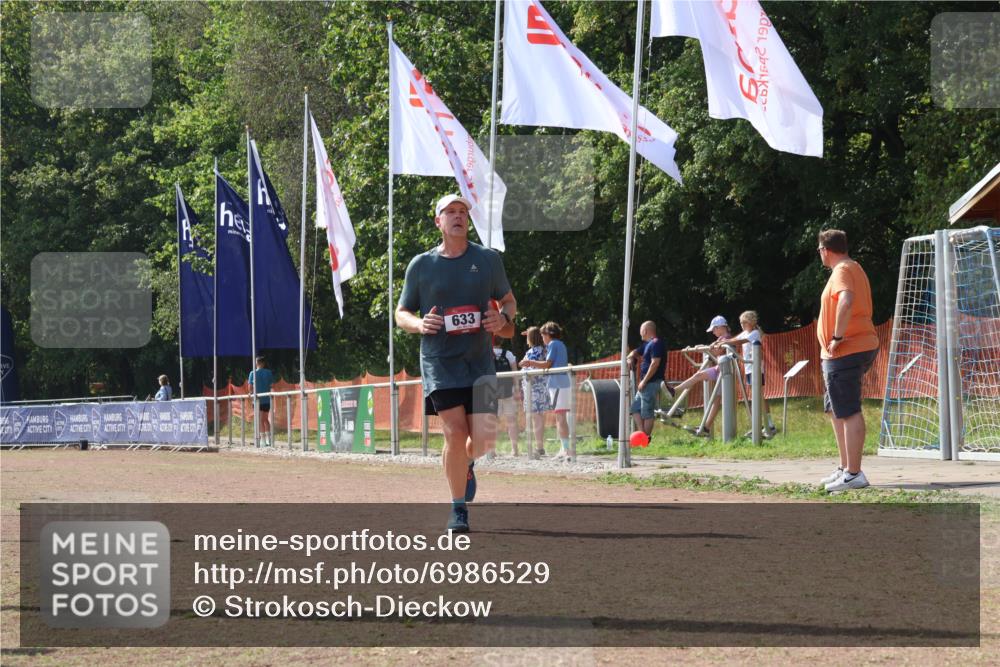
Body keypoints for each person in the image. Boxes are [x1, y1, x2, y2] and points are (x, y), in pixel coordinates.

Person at [396, 194, 516, 532]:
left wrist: (501, 317)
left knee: (484, 439)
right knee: (454, 432)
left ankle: (466, 463)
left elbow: (509, 301)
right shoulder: (422, 265)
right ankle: (458, 508)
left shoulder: (488, 259)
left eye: (463, 211)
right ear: (438, 221)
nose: (458, 216)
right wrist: (419, 324)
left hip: (479, 362)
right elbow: (401, 313)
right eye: (450, 212)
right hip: (440, 362)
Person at [816, 230, 879, 492]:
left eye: (819, 250)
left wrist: (837, 336)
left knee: (849, 409)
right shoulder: (853, 267)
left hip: (846, 350)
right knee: (836, 409)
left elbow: (846, 300)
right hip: (849, 350)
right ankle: (845, 468)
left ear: (825, 250)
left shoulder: (842, 270)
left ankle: (854, 474)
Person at [667, 316, 732, 437]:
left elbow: (716, 352)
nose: (713, 332)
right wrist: (702, 348)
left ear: (720, 327)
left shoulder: (727, 338)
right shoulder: (720, 339)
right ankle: (674, 391)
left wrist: (702, 348)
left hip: (726, 372)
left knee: (716, 400)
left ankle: (706, 427)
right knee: (698, 375)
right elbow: (713, 352)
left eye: (714, 329)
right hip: (719, 369)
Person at [718, 310, 777, 437]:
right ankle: (758, 425)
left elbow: (740, 341)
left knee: (759, 396)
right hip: (749, 368)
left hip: (756, 368)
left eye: (744, 322)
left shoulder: (755, 333)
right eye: (740, 323)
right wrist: (721, 341)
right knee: (753, 397)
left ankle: (769, 424)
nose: (742, 325)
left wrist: (726, 342)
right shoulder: (745, 332)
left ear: (750, 322)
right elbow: (735, 338)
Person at [521, 321, 571, 458]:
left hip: (557, 383)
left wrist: (530, 362)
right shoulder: (560, 344)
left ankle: (566, 450)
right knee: (560, 417)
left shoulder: (553, 344)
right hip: (561, 383)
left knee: (560, 418)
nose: (542, 339)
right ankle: (564, 448)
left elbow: (547, 364)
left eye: (543, 335)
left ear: (549, 335)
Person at [627, 320, 665, 437]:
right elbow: (634, 352)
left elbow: (655, 363)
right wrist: (630, 358)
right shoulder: (646, 345)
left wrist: (644, 381)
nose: (640, 333)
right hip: (645, 384)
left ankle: (645, 438)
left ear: (644, 330)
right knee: (634, 409)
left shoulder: (656, 343)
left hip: (651, 382)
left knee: (647, 412)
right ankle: (642, 435)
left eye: (641, 331)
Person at [520, 326, 549, 458]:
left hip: (533, 388)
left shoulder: (532, 352)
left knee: (536, 418)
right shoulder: (544, 350)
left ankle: (539, 447)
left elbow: (523, 365)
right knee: (539, 417)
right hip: (541, 387)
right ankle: (539, 445)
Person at [492, 339, 521, 456]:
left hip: (491, 392)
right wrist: (517, 389)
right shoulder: (508, 354)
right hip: (509, 391)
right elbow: (515, 373)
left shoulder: (486, 353)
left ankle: (492, 450)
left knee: (492, 421)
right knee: (512, 421)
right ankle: (515, 449)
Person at [248, 356, 274, 447]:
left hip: (257, 400)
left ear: (257, 363)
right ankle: (268, 439)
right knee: (265, 419)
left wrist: (250, 393)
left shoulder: (252, 373)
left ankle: (262, 440)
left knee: (259, 420)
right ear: (263, 363)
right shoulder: (269, 372)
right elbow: (271, 386)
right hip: (267, 399)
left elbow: (250, 388)